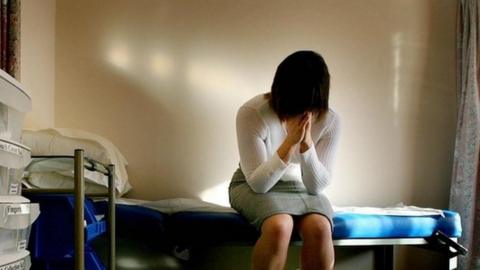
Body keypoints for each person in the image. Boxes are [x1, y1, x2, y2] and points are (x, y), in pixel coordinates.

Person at [229, 50, 340, 270]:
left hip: (302, 188)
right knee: (280, 225)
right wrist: (289, 143)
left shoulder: (330, 120)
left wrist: (307, 146)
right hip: (251, 184)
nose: (303, 111)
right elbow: (259, 185)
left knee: (319, 227)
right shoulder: (252, 112)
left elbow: (316, 187)